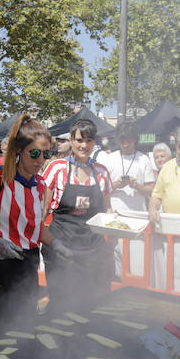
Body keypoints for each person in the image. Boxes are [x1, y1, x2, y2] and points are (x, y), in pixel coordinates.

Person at [0, 114, 68, 332]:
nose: (40, 160)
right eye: (34, 154)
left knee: (23, 326)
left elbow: (35, 227)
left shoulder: (40, 185)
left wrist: (57, 244)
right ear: (19, 151)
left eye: (46, 154)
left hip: (26, 266)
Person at [41, 118, 114, 312]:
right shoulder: (57, 168)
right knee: (62, 302)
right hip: (61, 245)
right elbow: (43, 209)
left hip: (92, 247)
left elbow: (107, 209)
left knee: (90, 302)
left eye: (89, 141)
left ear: (94, 142)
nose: (84, 145)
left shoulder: (101, 171)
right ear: (71, 141)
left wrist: (116, 222)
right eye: (79, 140)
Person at [97, 121, 156, 212]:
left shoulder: (144, 159)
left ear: (135, 140)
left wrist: (136, 185)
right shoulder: (108, 159)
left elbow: (151, 190)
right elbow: (100, 191)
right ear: (117, 140)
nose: (125, 145)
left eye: (129, 141)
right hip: (113, 213)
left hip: (138, 214)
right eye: (122, 141)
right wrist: (116, 185)